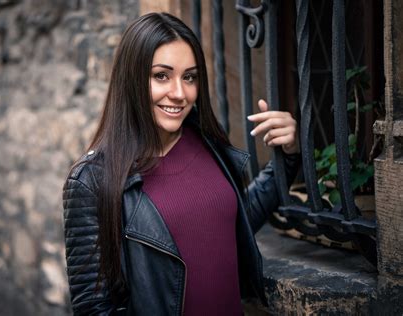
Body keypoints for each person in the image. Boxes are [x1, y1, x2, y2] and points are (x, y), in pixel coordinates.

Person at [62, 12, 300, 316]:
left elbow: (232, 223)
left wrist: (289, 155)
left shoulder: (207, 143)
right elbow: (94, 309)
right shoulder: (91, 180)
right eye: (161, 75)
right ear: (132, 79)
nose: (179, 93)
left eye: (189, 77)